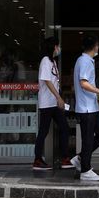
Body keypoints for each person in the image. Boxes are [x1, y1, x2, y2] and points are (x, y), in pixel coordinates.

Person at [70, 34, 99, 181]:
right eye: (98, 45)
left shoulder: (83, 60)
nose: (98, 47)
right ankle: (86, 170)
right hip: (86, 108)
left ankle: (81, 158)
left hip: (91, 107)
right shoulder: (85, 61)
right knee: (88, 140)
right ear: (94, 46)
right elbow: (83, 83)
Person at [33, 37, 73, 171]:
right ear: (53, 47)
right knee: (43, 131)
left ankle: (65, 158)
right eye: (58, 46)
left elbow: (54, 81)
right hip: (47, 103)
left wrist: (58, 98)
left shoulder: (52, 62)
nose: (59, 48)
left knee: (64, 128)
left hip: (53, 103)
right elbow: (47, 81)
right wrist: (59, 97)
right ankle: (37, 160)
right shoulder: (45, 61)